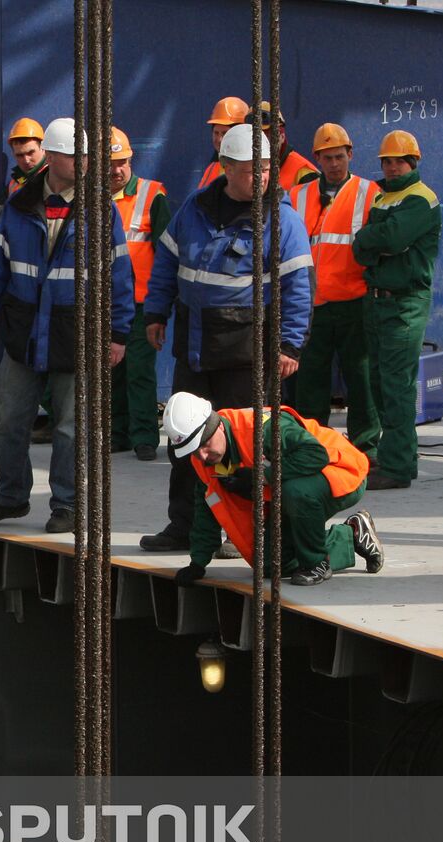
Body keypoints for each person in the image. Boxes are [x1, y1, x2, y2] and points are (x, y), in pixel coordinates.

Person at [139, 123, 314, 552]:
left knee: (245, 448)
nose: (262, 177)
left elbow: (298, 287)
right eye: (251, 170)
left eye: (267, 169)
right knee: (184, 441)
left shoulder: (283, 221)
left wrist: (290, 345)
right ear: (226, 168)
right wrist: (156, 312)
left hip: (247, 354)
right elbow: (166, 264)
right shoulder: (194, 211)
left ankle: (245, 530)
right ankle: (184, 527)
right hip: (196, 350)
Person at [0, 117, 134, 532]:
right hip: (24, 335)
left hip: (76, 336)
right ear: (54, 157)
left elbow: (119, 275)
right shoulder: (19, 208)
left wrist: (117, 333)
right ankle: (10, 497)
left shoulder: (101, 210)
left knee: (71, 428)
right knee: (9, 422)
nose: (83, 163)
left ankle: (68, 505)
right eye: (75, 156)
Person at [163, 392, 384, 587]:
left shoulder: (262, 428)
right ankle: (352, 534)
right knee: (271, 563)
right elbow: (206, 506)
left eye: (204, 445)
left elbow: (316, 455)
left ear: (218, 426)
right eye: (193, 451)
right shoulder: (204, 460)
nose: (202, 456)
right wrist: (198, 563)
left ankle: (317, 563)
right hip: (290, 485)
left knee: (295, 491)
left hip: (341, 469)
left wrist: (261, 477)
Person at [352, 129, 441, 490]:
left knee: (396, 385)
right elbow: (361, 248)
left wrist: (376, 241)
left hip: (404, 304)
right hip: (377, 300)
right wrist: (375, 242)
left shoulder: (421, 200)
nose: (390, 167)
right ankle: (393, 457)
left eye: (397, 161)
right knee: (379, 381)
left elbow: (388, 239)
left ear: (412, 162)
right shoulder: (382, 199)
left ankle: (398, 465)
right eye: (386, 161)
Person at [290, 123, 380, 457]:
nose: (334, 164)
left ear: (350, 155)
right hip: (312, 306)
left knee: (361, 378)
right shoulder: (298, 196)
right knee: (310, 382)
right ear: (317, 159)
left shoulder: (369, 193)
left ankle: (365, 446)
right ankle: (312, 447)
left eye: (339, 157)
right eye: (327, 158)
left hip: (354, 303)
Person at [108, 126, 170, 460]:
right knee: (111, 370)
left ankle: (144, 435)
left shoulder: (152, 196)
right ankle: (117, 433)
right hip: (106, 303)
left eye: (123, 162)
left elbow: (166, 254)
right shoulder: (91, 198)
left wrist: (161, 304)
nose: (117, 170)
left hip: (141, 302)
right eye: (110, 163)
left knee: (140, 372)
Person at [247, 101, 319, 191]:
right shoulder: (238, 169)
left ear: (282, 136)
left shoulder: (305, 174)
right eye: (256, 137)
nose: (262, 142)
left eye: (268, 136)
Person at [198, 97, 249, 189]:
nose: (219, 139)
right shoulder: (213, 168)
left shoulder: (255, 169)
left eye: (225, 133)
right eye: (216, 133)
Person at [6, 117, 47, 197]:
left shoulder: (53, 179)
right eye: (19, 155)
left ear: (43, 148)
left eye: (30, 152)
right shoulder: (15, 182)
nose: (26, 161)